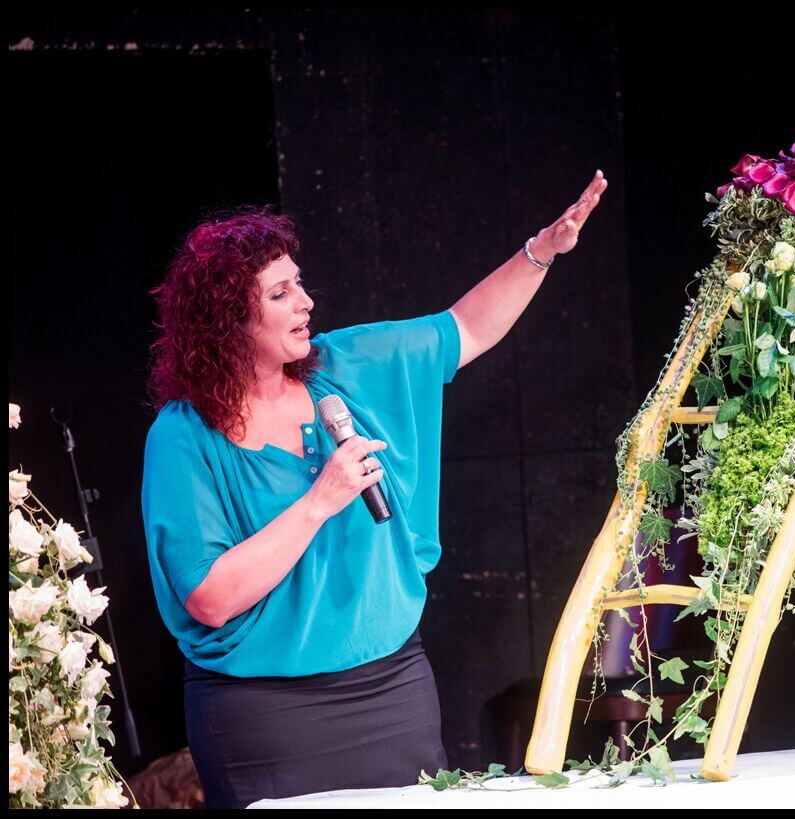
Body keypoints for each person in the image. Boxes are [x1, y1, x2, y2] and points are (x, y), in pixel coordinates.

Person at [141, 171, 607, 808]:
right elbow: (210, 598)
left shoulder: (347, 368)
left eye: (299, 283)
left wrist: (541, 251)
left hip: (389, 694)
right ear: (228, 320)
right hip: (265, 716)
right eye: (280, 293)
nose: (306, 302)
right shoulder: (185, 435)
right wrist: (319, 502)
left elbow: (465, 329)